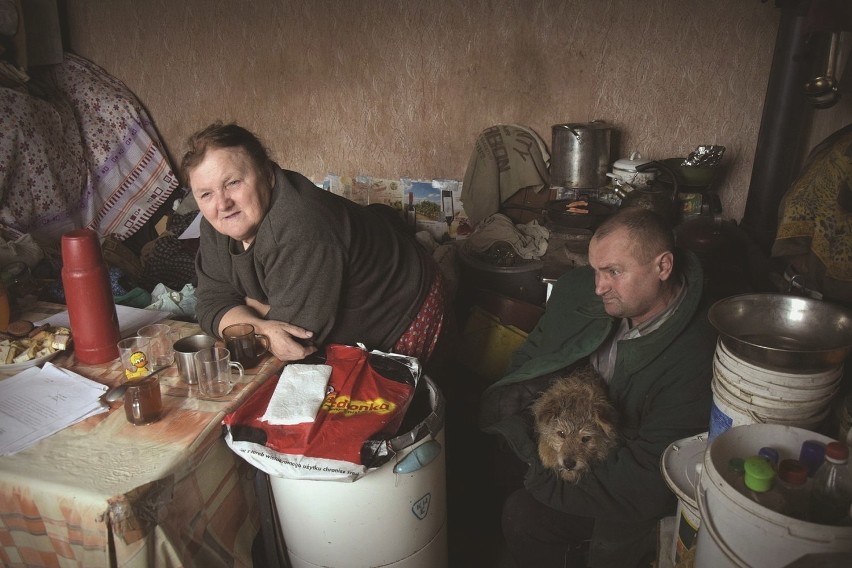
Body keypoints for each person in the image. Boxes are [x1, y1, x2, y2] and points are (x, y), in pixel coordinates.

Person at [478, 206, 717, 567]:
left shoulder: (694, 357)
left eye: (613, 272)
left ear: (663, 267)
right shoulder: (584, 293)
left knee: (523, 517)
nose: (598, 286)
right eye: (595, 270)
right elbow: (534, 349)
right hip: (560, 427)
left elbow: (650, 480)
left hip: (611, 471)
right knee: (483, 459)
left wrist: (542, 477)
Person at [182, 122, 448, 364]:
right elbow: (208, 305)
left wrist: (242, 310)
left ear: (267, 172)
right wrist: (263, 327)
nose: (222, 204)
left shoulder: (300, 224)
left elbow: (295, 340)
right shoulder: (215, 224)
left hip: (403, 309)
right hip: (331, 306)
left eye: (233, 183)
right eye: (206, 194)